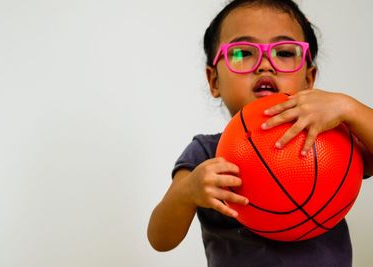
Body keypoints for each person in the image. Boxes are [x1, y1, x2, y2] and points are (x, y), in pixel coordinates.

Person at [147, 0, 373, 266]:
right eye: (243, 53)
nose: (265, 65)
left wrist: (351, 108)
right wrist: (186, 193)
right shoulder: (207, 154)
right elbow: (160, 239)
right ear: (214, 81)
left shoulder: (330, 138)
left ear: (309, 79)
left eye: (285, 53)